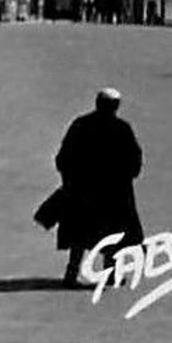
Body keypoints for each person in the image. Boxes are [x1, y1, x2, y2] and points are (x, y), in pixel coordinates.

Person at [49, 88, 144, 288]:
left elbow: (63, 158)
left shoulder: (81, 125)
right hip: (114, 194)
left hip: (83, 192)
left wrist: (70, 182)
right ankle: (111, 274)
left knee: (79, 234)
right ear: (116, 106)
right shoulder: (122, 129)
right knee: (112, 235)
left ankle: (71, 274)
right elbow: (134, 160)